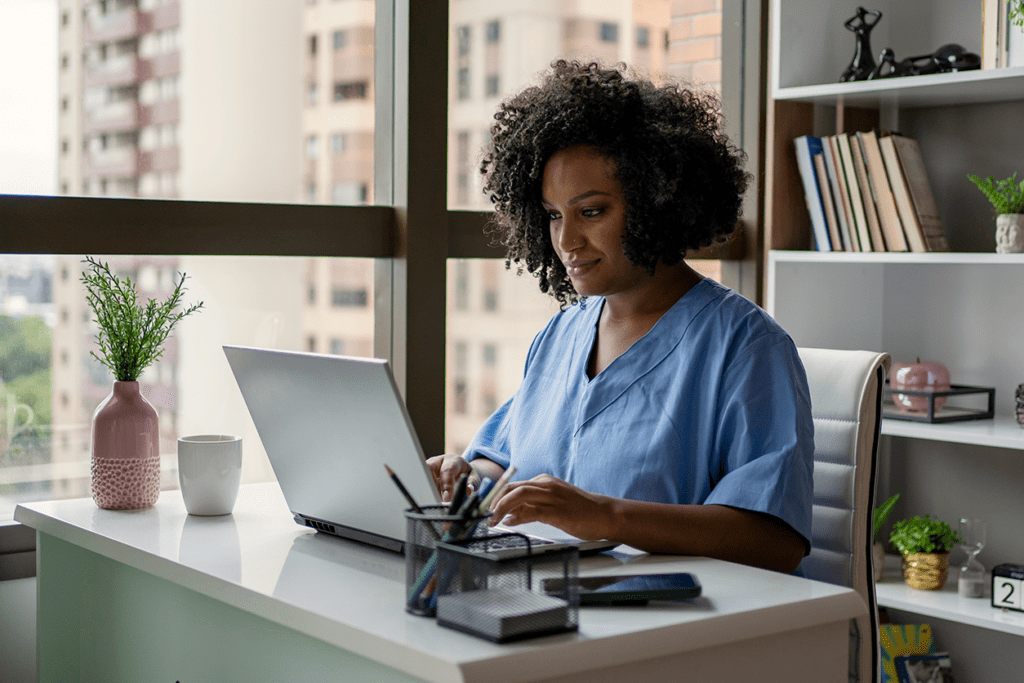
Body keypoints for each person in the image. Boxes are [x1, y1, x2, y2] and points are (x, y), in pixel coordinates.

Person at [428, 60, 813, 574]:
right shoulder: (561, 334)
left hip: (669, 627)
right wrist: (468, 477)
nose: (566, 241)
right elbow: (502, 457)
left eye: (591, 212)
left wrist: (606, 515)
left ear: (659, 202)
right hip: (547, 602)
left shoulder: (745, 346)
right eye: (552, 215)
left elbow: (775, 540)